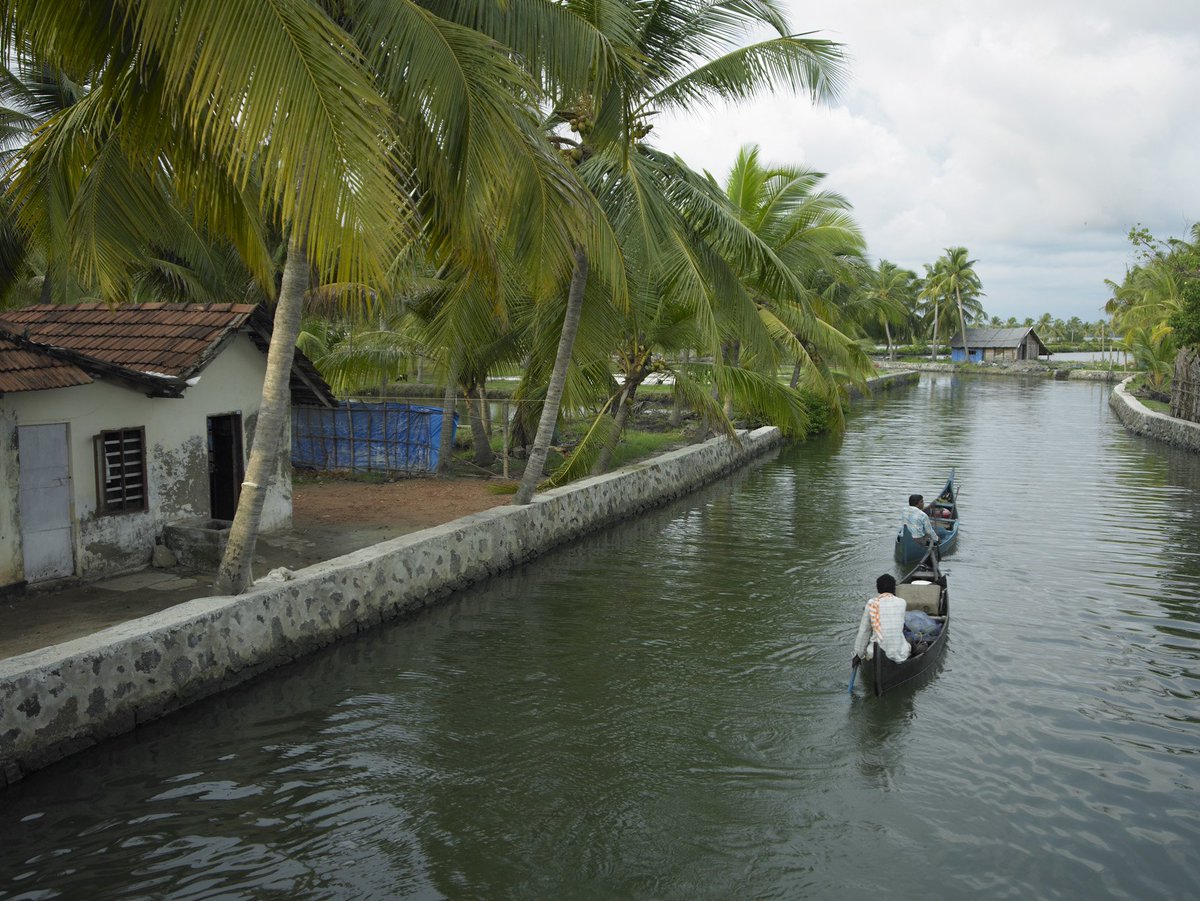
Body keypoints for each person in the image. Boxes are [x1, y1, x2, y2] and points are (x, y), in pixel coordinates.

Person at [852, 573, 910, 666]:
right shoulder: (902, 602)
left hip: (874, 654)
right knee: (909, 639)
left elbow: (864, 632)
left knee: (872, 638)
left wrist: (858, 655)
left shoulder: (871, 603)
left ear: (878, 588)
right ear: (894, 588)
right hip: (899, 653)